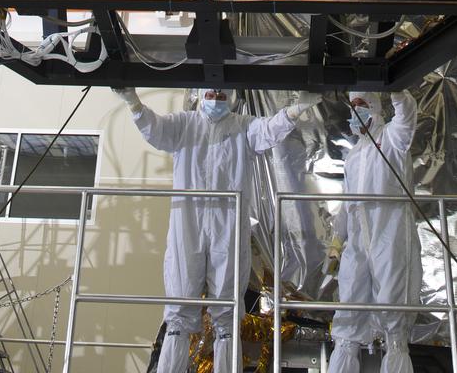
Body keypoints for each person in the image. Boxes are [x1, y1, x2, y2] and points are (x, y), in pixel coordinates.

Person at [114, 86, 320, 373]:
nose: (215, 100)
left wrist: (296, 110)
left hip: (228, 225)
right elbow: (155, 129)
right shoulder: (184, 124)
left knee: (227, 310)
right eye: (210, 95)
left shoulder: (242, 128)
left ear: (232, 98)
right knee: (179, 308)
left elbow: (269, 130)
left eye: (222, 96)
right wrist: (133, 102)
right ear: (201, 95)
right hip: (188, 224)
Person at [325, 91, 421, 373]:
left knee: (394, 315)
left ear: (376, 109)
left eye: (362, 104)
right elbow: (347, 203)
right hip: (357, 241)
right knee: (348, 313)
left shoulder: (392, 138)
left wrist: (397, 89)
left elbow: (406, 116)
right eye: (353, 105)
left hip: (389, 237)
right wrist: (336, 242)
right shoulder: (354, 156)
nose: (356, 110)